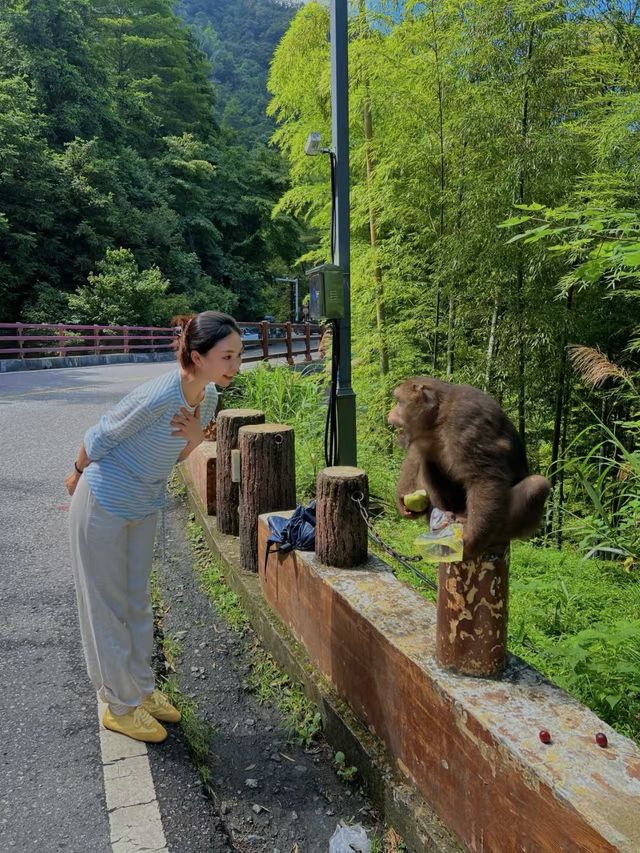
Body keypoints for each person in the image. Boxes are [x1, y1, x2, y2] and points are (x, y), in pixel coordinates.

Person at [65, 311, 243, 743]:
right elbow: (102, 434)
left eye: (239, 355)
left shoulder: (210, 399)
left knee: (136, 601)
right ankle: (119, 705)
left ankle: (142, 689)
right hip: (104, 501)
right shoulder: (161, 394)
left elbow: (177, 457)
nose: (235, 366)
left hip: (143, 504)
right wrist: (75, 473)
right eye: (227, 356)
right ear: (197, 357)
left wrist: (199, 436)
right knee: (105, 605)